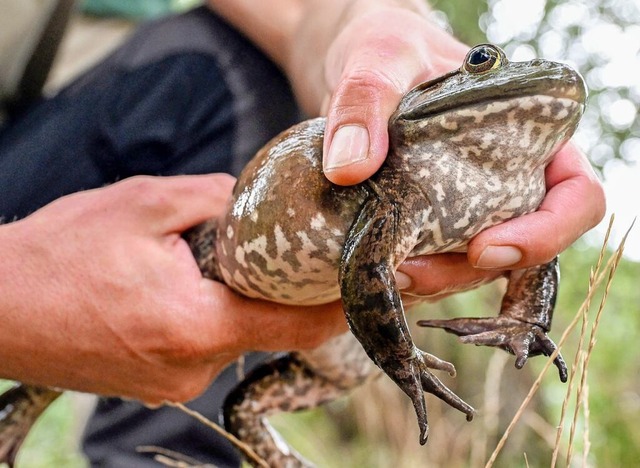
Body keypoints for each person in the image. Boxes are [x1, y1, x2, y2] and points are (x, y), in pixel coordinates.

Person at [0, 0, 605, 466]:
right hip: (172, 233)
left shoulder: (508, 190)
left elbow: (304, 14)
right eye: (481, 62)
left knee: (245, 50)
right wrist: (18, 302)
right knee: (224, 56)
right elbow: (367, 268)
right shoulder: (403, 187)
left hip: (59, 126)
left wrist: (368, 17)